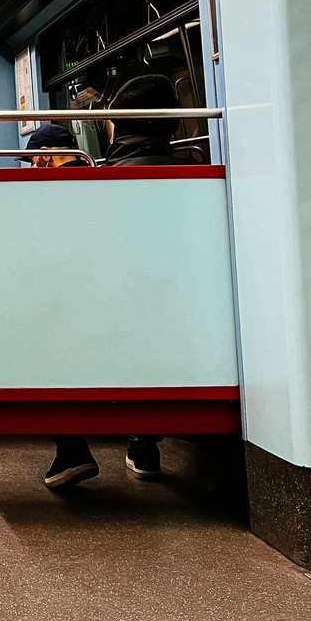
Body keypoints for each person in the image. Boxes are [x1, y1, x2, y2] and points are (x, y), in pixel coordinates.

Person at [42, 73, 179, 489]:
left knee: (48, 332)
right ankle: (142, 446)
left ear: (120, 124)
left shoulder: (102, 180)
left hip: (110, 316)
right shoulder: (198, 171)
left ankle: (72, 450)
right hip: (178, 317)